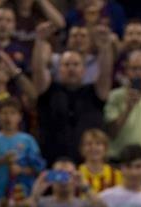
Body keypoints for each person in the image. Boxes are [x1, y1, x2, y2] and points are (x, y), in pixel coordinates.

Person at [30, 23, 113, 165]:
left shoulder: (94, 92)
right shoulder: (49, 90)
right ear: (59, 69)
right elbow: (38, 71)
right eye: (66, 65)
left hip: (88, 164)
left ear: (84, 70)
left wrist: (105, 47)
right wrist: (39, 41)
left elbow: (105, 73)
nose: (71, 69)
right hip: (52, 162)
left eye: (76, 65)